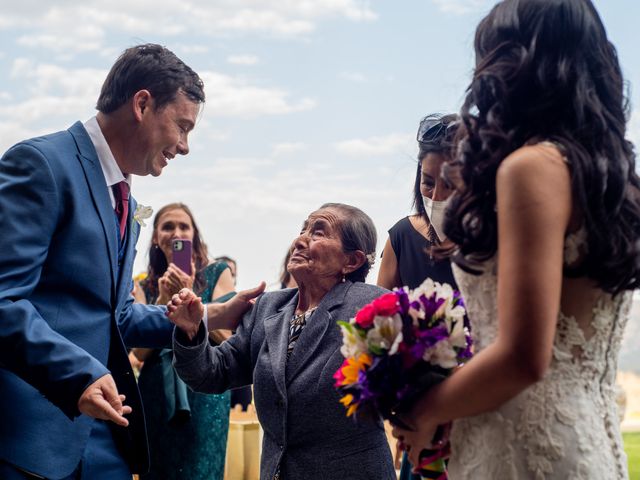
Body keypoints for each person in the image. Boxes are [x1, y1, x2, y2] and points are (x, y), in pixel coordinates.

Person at [392, 1, 640, 479]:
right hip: (586, 441)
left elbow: (525, 356)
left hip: (521, 448)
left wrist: (423, 411)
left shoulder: (531, 168)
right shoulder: (616, 181)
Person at [0, 43, 263, 480]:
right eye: (182, 126)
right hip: (32, 440)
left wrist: (214, 314)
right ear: (142, 104)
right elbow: (5, 300)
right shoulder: (42, 165)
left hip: (107, 443)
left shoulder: (129, 203)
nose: (184, 146)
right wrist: (79, 373)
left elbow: (115, 315)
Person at [167, 203, 396, 480]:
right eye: (303, 229)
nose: (299, 240)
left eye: (318, 233)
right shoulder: (268, 308)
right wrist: (192, 332)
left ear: (352, 261)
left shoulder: (371, 306)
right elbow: (211, 374)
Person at [377, 113, 458, 479]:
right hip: (419, 411)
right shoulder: (400, 238)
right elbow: (380, 330)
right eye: (427, 183)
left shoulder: (492, 245)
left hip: (478, 400)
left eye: (449, 186)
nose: (436, 197)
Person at [131, 203, 234, 480]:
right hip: (156, 390)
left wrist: (190, 300)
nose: (176, 232)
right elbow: (139, 353)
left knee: (200, 468)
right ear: (156, 238)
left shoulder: (217, 273)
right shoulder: (143, 286)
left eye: (183, 226)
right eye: (167, 226)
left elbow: (229, 340)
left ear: (194, 235)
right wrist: (163, 302)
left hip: (205, 390)